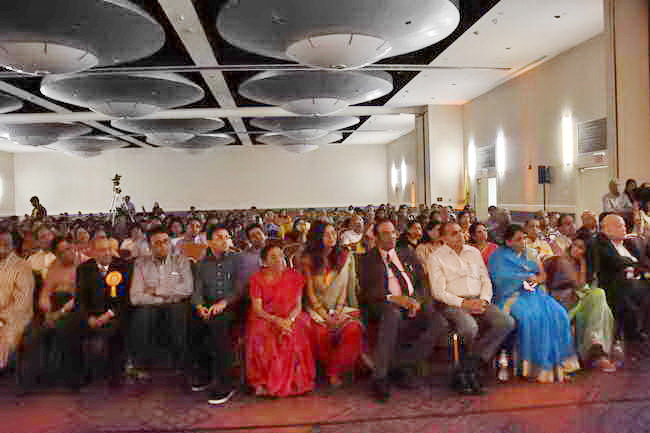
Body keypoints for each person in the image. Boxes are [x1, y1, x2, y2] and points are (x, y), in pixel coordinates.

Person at [359, 219, 449, 403]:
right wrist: (395, 298)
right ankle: (380, 377)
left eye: (393, 232)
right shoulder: (368, 259)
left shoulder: (406, 253)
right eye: (385, 233)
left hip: (413, 302)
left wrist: (416, 300)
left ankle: (400, 364)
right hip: (385, 304)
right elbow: (370, 291)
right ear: (376, 237)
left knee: (440, 323)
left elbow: (422, 281)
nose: (391, 236)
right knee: (392, 314)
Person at [428, 222, 514, 394]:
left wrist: (484, 300)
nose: (460, 235)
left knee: (506, 322)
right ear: (443, 238)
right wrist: (464, 303)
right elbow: (438, 292)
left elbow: (485, 279)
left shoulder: (473, 252)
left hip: (478, 299)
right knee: (469, 327)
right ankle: (469, 371)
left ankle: (469, 366)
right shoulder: (436, 257)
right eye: (453, 233)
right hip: (453, 303)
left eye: (461, 231)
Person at [488, 225, 580, 383]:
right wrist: (523, 279)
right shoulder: (498, 257)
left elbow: (542, 275)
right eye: (518, 239)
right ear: (508, 242)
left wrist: (536, 280)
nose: (523, 242)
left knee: (559, 314)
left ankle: (560, 364)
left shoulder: (530, 253)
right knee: (530, 316)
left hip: (534, 293)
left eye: (524, 238)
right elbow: (499, 279)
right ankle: (534, 367)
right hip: (510, 295)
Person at [245, 245, 315, 397]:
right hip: (265, 317)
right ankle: (264, 382)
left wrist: (289, 320)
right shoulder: (256, 278)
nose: (279, 260)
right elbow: (257, 309)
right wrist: (276, 320)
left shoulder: (295, 276)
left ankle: (293, 382)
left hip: (291, 316)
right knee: (261, 333)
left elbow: (298, 306)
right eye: (273, 257)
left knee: (296, 331)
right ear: (264, 262)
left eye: (281, 255)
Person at [301, 222, 363, 387]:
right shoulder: (308, 260)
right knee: (320, 333)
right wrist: (326, 316)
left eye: (334, 233)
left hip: (338, 307)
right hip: (316, 309)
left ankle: (334, 371)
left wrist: (339, 310)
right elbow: (310, 294)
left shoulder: (344, 256)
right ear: (317, 237)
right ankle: (329, 369)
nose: (332, 237)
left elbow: (344, 288)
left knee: (354, 329)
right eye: (326, 234)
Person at [543, 238, 616, 372]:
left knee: (599, 298)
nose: (576, 249)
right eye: (575, 245)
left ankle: (596, 347)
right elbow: (578, 284)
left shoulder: (579, 263)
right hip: (560, 299)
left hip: (577, 298)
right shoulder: (562, 260)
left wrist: (582, 263)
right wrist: (582, 263)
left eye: (581, 248)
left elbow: (582, 286)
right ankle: (596, 350)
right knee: (598, 298)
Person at [129, 227, 193, 377]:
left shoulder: (181, 260)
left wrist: (157, 291)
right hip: (152, 306)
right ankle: (140, 365)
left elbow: (187, 288)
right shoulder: (140, 263)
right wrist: (164, 298)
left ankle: (181, 364)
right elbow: (135, 297)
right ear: (149, 246)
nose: (163, 246)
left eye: (166, 241)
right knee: (142, 314)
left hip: (176, 305)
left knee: (177, 310)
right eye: (157, 243)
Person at [191, 225, 242, 405]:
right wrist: (199, 306)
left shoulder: (237, 259)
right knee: (192, 323)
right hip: (209, 305)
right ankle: (204, 373)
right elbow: (197, 289)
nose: (224, 240)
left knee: (218, 326)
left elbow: (239, 288)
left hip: (233, 305)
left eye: (227, 237)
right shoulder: (201, 263)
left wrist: (224, 303)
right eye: (219, 237)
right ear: (209, 241)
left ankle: (226, 383)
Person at [25, 237, 84, 389]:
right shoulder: (54, 266)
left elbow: (81, 296)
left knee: (63, 327)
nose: (68, 253)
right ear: (57, 255)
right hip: (55, 305)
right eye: (62, 252)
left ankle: (69, 378)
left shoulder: (84, 264)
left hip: (76, 307)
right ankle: (32, 379)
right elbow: (45, 294)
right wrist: (47, 312)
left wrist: (59, 313)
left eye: (69, 248)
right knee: (33, 331)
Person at [77, 238, 132, 385]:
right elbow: (80, 299)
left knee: (115, 330)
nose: (107, 253)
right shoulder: (83, 269)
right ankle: (79, 376)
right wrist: (88, 318)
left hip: (115, 313)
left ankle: (115, 374)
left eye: (109, 249)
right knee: (73, 327)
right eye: (102, 250)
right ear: (93, 252)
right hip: (91, 315)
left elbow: (126, 298)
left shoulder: (123, 266)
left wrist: (108, 315)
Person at [590, 214, 650, 340]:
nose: (624, 228)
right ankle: (634, 333)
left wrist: (638, 268)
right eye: (619, 226)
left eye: (624, 226)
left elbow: (643, 262)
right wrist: (634, 264)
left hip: (636, 281)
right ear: (606, 229)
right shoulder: (601, 242)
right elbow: (616, 261)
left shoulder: (629, 244)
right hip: (615, 285)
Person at [0, 231, 35, 372]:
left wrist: (2, 318)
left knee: (5, 334)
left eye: (5, 245)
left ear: (12, 246)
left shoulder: (22, 266)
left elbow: (22, 302)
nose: (2, 248)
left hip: (15, 316)